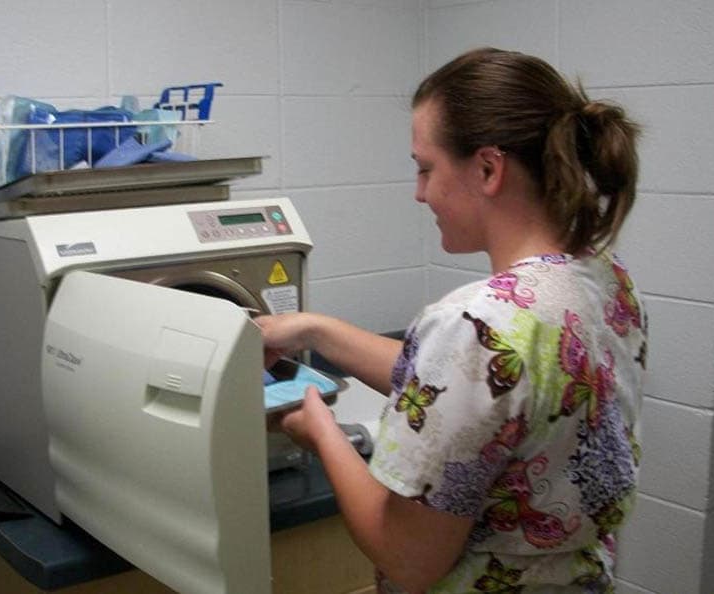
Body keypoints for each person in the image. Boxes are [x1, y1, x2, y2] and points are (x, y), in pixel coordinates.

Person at [257, 47, 646, 593]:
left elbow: (409, 558)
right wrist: (313, 330)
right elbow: (479, 391)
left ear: (488, 168)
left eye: (425, 168)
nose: (420, 193)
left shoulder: (475, 320)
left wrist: (320, 429)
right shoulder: (603, 279)